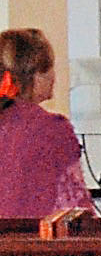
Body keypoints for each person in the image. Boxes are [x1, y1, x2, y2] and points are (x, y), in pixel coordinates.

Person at [0, 31, 85, 221]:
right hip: (33, 244)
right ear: (36, 76)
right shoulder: (52, 130)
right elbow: (73, 207)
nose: (54, 76)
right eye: (50, 69)